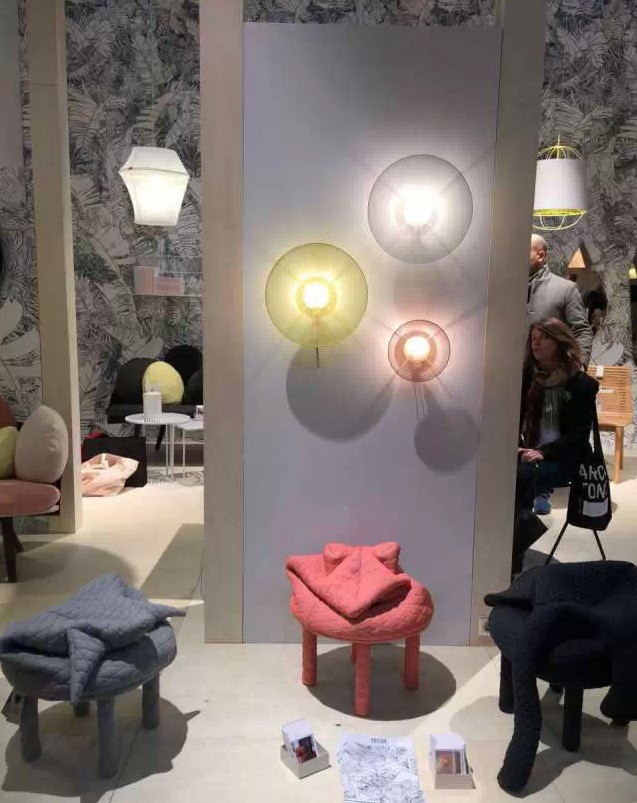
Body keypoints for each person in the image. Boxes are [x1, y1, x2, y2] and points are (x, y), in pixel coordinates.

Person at [512, 319, 599, 575]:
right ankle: (513, 543)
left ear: (559, 342)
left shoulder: (580, 384)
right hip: (528, 452)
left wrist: (543, 452)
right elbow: (514, 418)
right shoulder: (528, 379)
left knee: (517, 478)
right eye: (533, 338)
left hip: (563, 459)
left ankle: (515, 545)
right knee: (502, 476)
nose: (536, 343)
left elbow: (579, 436)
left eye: (544, 338)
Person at [527, 234, 593, 515]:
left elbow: (582, 330)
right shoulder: (505, 285)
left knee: (547, 427)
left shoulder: (564, 289)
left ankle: (540, 488)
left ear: (540, 255)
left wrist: (579, 365)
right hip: (512, 374)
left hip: (548, 375)